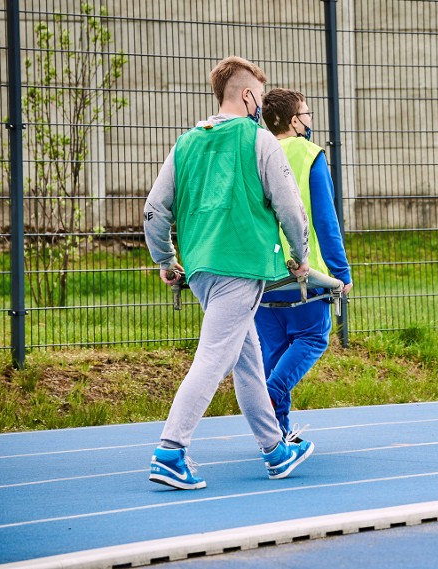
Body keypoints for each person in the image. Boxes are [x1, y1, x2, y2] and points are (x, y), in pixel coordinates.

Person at [143, 57, 314, 490]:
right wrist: (301, 255)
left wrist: (165, 259)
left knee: (248, 357)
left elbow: (154, 210)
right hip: (241, 265)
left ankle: (275, 450)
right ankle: (170, 451)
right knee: (215, 355)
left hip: (200, 266)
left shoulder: (186, 143)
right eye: (261, 92)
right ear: (249, 95)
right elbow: (290, 207)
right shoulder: (259, 139)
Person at [255, 88, 353, 442]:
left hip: (262, 272)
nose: (310, 120)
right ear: (294, 121)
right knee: (313, 337)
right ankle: (269, 394)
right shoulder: (310, 155)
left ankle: (277, 434)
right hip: (302, 272)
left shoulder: (256, 152)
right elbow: (325, 221)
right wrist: (341, 274)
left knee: (275, 349)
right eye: (307, 114)